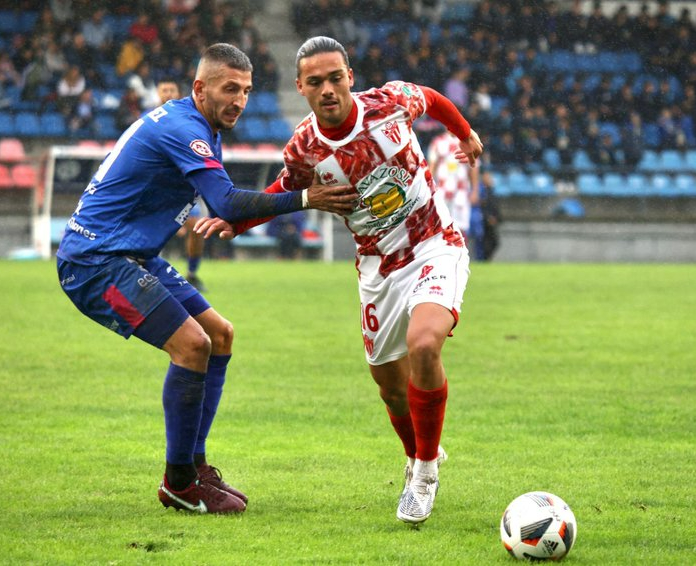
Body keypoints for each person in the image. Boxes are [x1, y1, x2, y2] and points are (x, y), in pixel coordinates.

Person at [55, 43, 357, 515]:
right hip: (95, 263)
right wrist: (306, 198)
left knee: (220, 334)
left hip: (132, 255)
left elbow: (218, 205)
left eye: (247, 91)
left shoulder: (199, 125)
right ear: (200, 88)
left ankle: (194, 467)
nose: (239, 100)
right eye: (229, 89)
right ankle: (178, 482)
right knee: (192, 345)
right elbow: (227, 202)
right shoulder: (184, 128)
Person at [196, 36, 483, 524]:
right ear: (300, 88)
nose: (328, 89)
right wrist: (236, 221)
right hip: (376, 268)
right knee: (389, 386)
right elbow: (283, 191)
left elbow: (432, 98)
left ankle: (425, 471)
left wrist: (464, 133)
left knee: (425, 344)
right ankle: (416, 453)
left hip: (434, 244)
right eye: (316, 82)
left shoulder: (390, 104)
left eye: (335, 78)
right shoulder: (304, 148)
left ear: (350, 77)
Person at [157, 78, 209, 289]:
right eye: (164, 90)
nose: (168, 93)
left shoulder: (188, 121)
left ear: (179, 93)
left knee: (197, 228)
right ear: (157, 94)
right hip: (155, 192)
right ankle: (147, 274)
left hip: (181, 193)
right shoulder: (149, 120)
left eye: (172, 89)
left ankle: (192, 274)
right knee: (152, 231)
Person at [428, 129, 480, 238]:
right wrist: (429, 189)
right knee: (441, 224)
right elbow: (432, 167)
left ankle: (461, 253)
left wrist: (475, 190)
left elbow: (474, 167)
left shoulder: (467, 142)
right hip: (441, 189)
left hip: (461, 190)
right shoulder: (438, 142)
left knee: (461, 226)